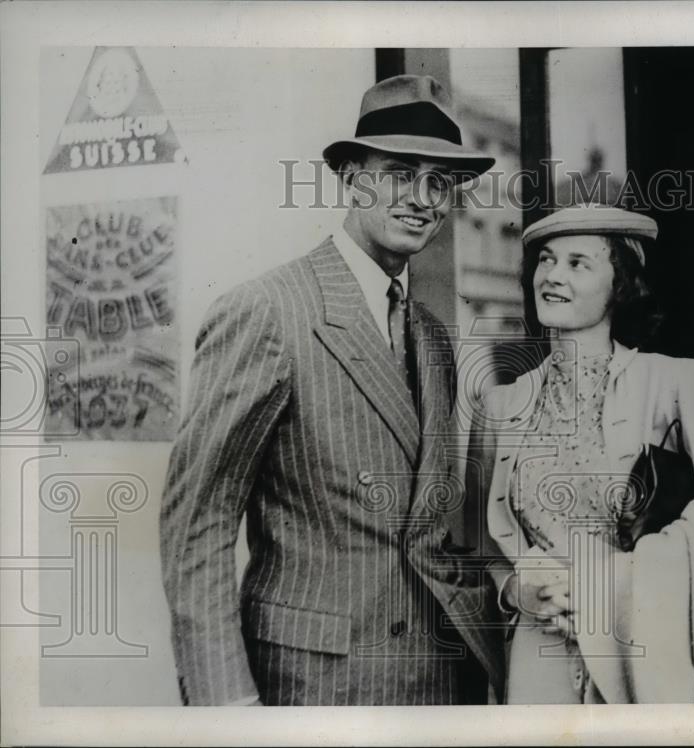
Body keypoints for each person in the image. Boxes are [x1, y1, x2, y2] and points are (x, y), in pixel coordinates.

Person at [160, 75, 505, 706]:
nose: (423, 198)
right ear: (351, 177)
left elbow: (424, 533)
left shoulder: (429, 335)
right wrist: (228, 705)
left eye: (439, 182)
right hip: (315, 688)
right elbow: (198, 526)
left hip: (434, 683)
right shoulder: (268, 311)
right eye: (401, 172)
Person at [466, 204, 694, 704]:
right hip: (540, 660)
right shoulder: (499, 405)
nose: (553, 276)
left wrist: (633, 580)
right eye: (546, 260)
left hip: (647, 658)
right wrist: (517, 592)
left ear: (620, 286)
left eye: (579, 263)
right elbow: (477, 547)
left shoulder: (681, 383)